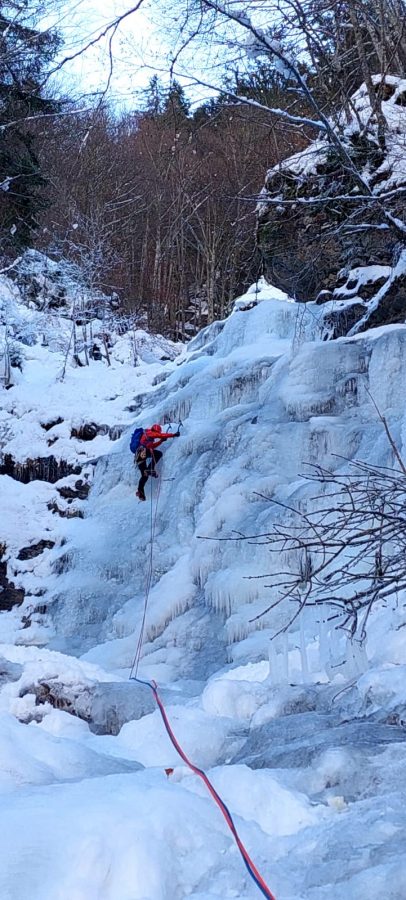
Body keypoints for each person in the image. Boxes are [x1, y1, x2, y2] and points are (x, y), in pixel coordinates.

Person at [136, 423, 179, 501]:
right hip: (142, 452)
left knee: (144, 475)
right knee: (158, 454)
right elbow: (160, 435)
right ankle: (150, 468)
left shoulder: (147, 438)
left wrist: (161, 441)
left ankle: (140, 492)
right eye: (157, 432)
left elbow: (151, 446)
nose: (157, 434)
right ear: (155, 430)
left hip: (139, 455)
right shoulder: (149, 433)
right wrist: (173, 435)